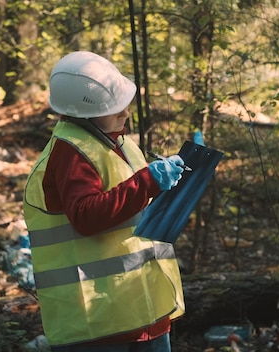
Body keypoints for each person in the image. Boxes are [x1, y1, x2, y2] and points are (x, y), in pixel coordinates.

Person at [22, 51, 186, 351]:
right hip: (100, 321)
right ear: (84, 114)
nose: (125, 115)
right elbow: (86, 216)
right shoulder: (70, 154)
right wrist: (148, 181)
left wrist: (181, 177)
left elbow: (132, 202)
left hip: (142, 309)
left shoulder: (116, 140)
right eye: (115, 110)